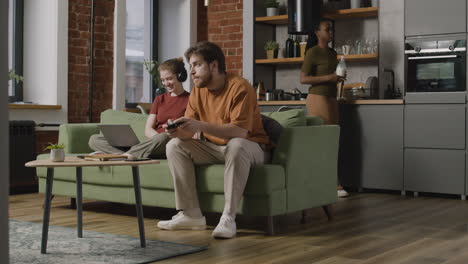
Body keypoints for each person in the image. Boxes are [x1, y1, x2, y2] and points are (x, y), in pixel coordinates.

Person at [157, 41, 270, 239]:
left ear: (214, 65)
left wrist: (200, 126)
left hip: (251, 148)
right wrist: (177, 132)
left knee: (236, 145)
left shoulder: (240, 87)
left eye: (196, 64)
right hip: (216, 148)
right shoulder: (198, 91)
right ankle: (191, 214)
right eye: (190, 65)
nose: (191, 71)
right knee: (175, 146)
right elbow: (190, 132)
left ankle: (228, 217)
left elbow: (241, 132)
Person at [88, 58, 190, 160]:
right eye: (163, 80)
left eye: (169, 79)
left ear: (180, 76)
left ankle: (129, 154)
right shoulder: (160, 99)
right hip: (151, 143)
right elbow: (148, 129)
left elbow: (188, 130)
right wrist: (154, 140)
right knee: (94, 139)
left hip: (168, 144)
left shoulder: (190, 100)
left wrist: (161, 139)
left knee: (164, 136)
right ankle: (127, 155)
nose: (166, 83)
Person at [300, 20, 349, 198]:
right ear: (317, 33)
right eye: (327, 29)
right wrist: (329, 77)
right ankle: (333, 185)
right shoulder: (313, 52)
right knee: (323, 143)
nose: (331, 31)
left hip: (331, 98)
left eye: (331, 28)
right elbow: (303, 79)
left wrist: (338, 78)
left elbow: (332, 77)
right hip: (318, 99)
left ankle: (328, 183)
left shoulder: (332, 53)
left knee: (333, 142)